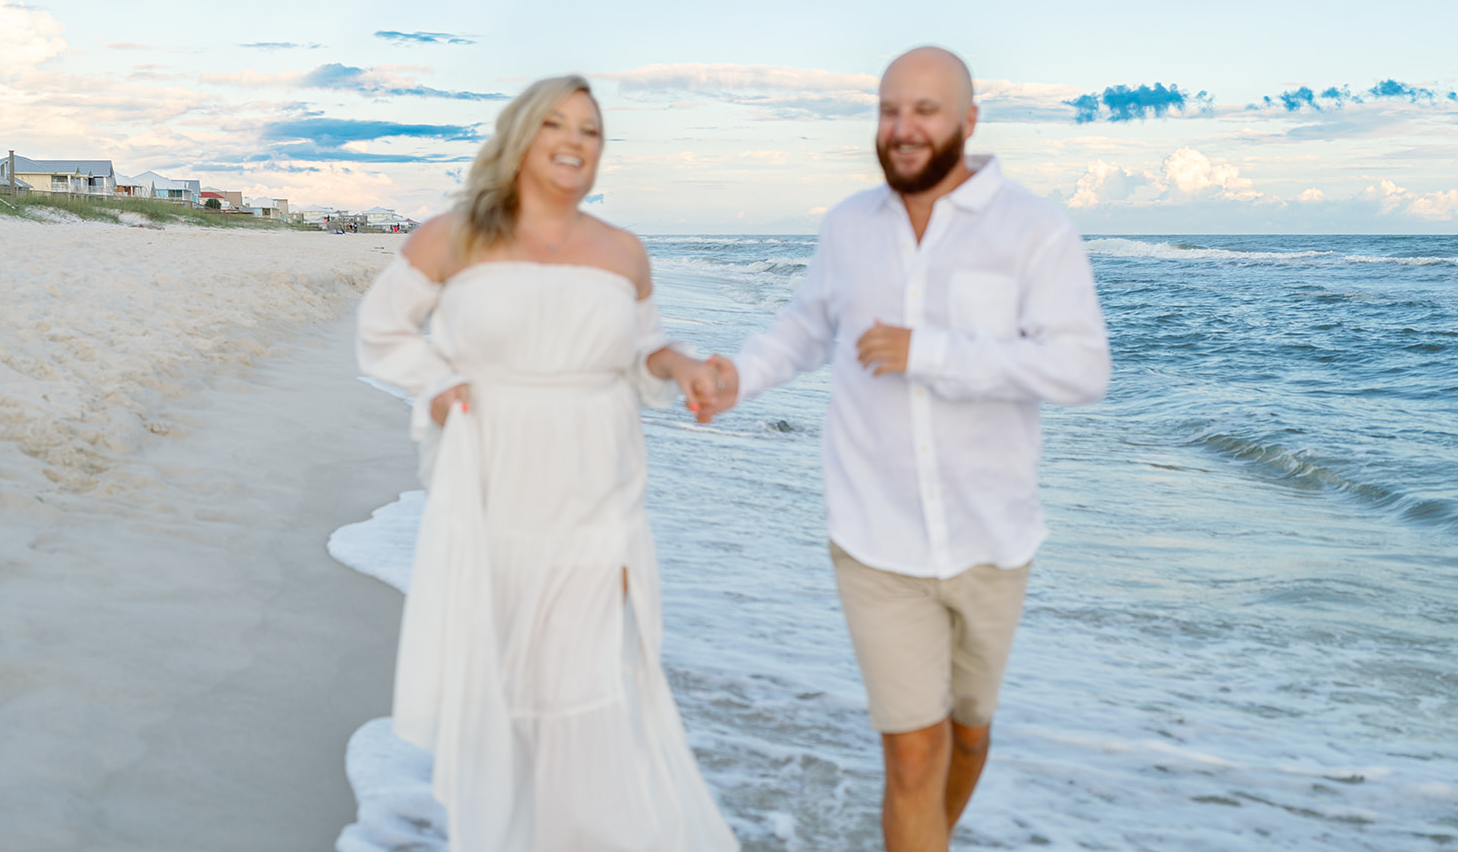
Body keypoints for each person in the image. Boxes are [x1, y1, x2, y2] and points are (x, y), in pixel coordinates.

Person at [691, 47, 1111, 852]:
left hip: (993, 535)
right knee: (914, 755)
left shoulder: (1034, 230)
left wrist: (934, 352)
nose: (902, 127)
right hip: (874, 534)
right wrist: (735, 376)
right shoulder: (850, 225)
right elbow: (805, 328)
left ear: (969, 120)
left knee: (969, 734)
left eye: (924, 109)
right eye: (888, 109)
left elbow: (1082, 369)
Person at [356, 75, 737, 851]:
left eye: (591, 130)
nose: (575, 140)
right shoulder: (452, 236)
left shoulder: (623, 251)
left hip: (597, 489)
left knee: (582, 692)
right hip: (491, 482)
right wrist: (435, 387)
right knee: (505, 691)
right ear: (521, 138)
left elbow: (638, 353)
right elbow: (382, 331)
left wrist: (686, 366)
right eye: (557, 123)